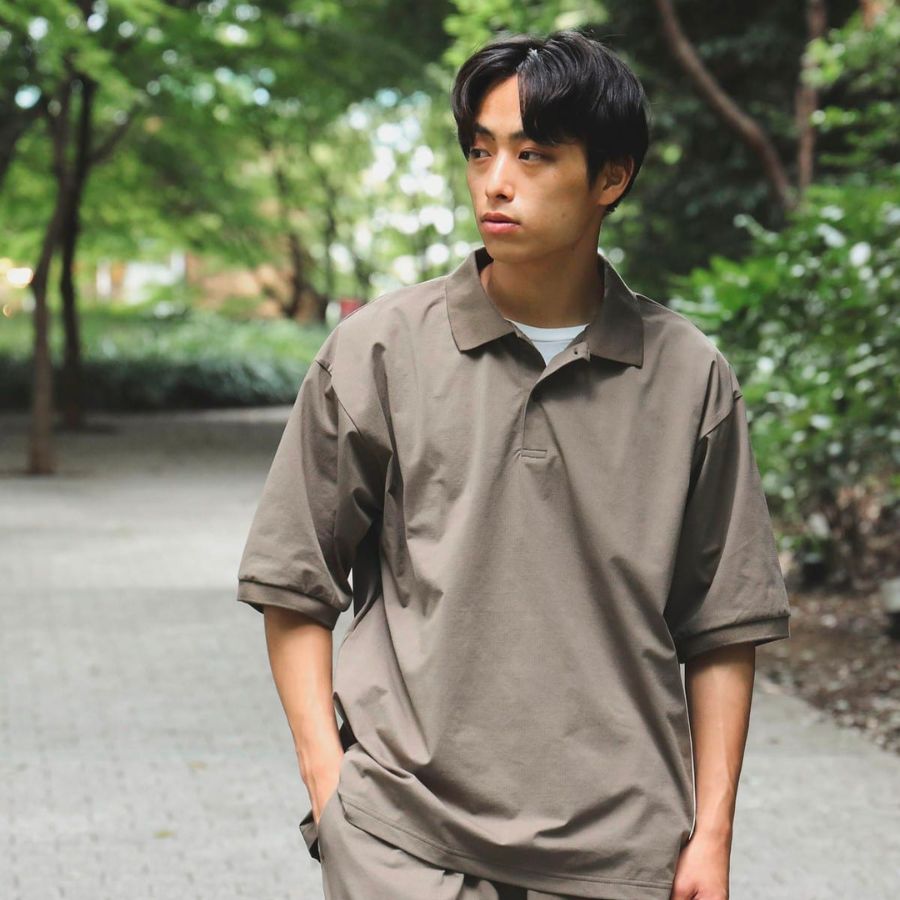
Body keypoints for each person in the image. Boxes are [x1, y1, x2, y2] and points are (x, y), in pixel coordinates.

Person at [236, 28, 791, 900]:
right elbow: (291, 581)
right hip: (404, 842)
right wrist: (328, 787)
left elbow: (723, 628)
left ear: (611, 178)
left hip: (617, 855)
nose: (496, 181)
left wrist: (712, 834)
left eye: (533, 155)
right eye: (481, 150)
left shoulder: (689, 376)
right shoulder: (379, 350)